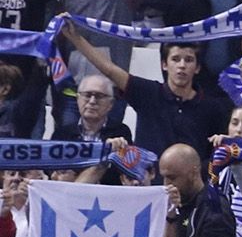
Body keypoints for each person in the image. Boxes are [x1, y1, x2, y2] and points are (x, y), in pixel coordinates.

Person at [60, 35, 231, 162]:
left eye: (188, 60)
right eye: (175, 59)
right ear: (165, 65)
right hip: (148, 187)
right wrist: (74, 37)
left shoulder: (211, 107)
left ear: (197, 67)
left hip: (192, 192)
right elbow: (109, 69)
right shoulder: (148, 92)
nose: (181, 66)